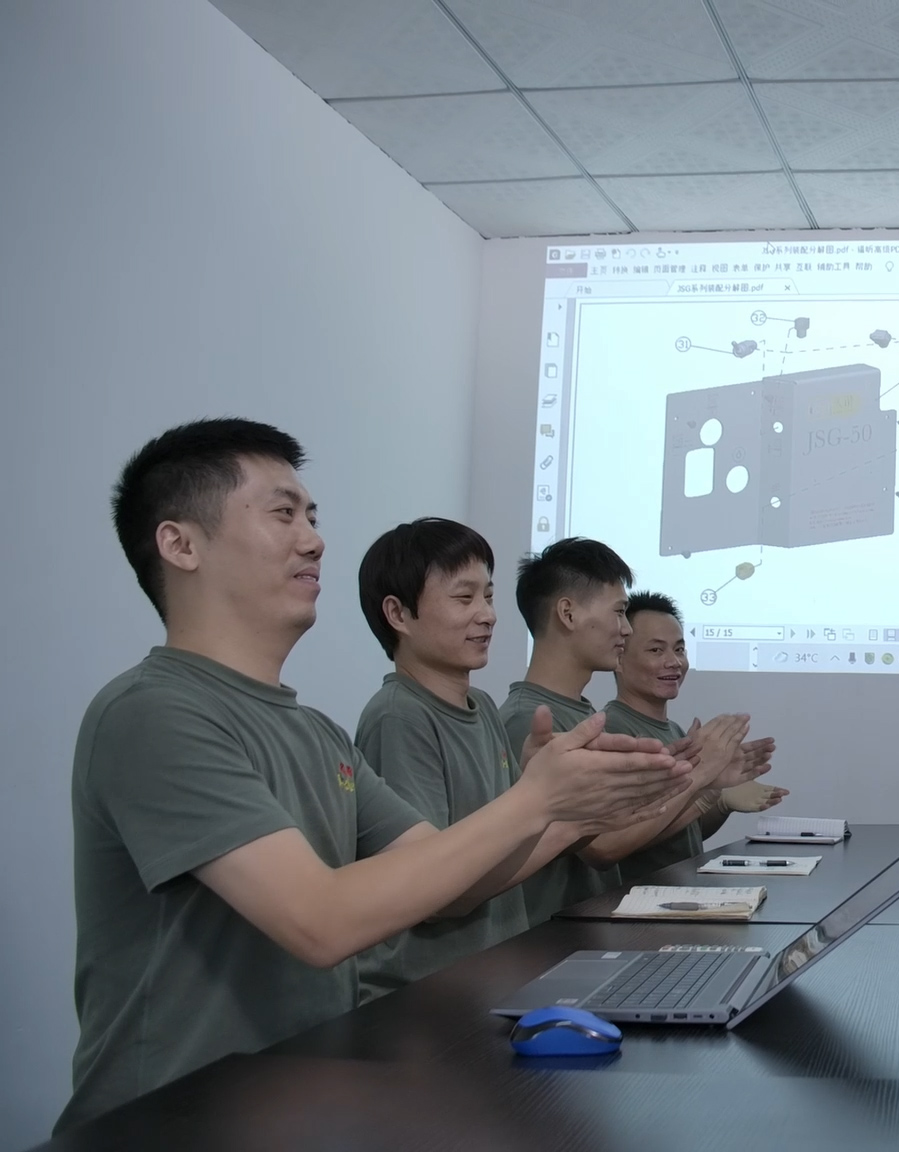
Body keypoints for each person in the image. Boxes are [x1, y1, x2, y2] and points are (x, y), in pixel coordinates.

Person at [64, 420, 687, 1129]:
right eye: (283, 513)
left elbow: (449, 882)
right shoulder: (154, 712)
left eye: (313, 516)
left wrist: (562, 811)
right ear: (181, 545)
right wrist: (533, 802)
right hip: (173, 1122)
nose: (314, 540)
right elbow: (319, 921)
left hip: (299, 1100)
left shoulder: (315, 731)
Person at [353, 517, 565, 996]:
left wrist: (535, 790)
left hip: (491, 976)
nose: (487, 615)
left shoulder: (483, 706)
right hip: (424, 992)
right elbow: (434, 891)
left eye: (488, 596)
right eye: (464, 598)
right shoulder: (398, 716)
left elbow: (501, 846)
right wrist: (560, 812)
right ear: (398, 614)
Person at [500, 539, 761, 920]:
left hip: (589, 927)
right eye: (619, 612)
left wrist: (697, 786)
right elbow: (602, 847)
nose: (625, 630)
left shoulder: (581, 716)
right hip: (552, 937)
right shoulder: (528, 720)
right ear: (568, 614)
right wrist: (699, 778)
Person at [605, 591, 787, 880]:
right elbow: (622, 842)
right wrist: (701, 788)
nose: (674, 662)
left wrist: (719, 801)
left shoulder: (674, 731)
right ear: (619, 657)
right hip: (636, 899)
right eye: (656, 650)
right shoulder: (615, 730)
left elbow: (686, 834)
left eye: (679, 649)